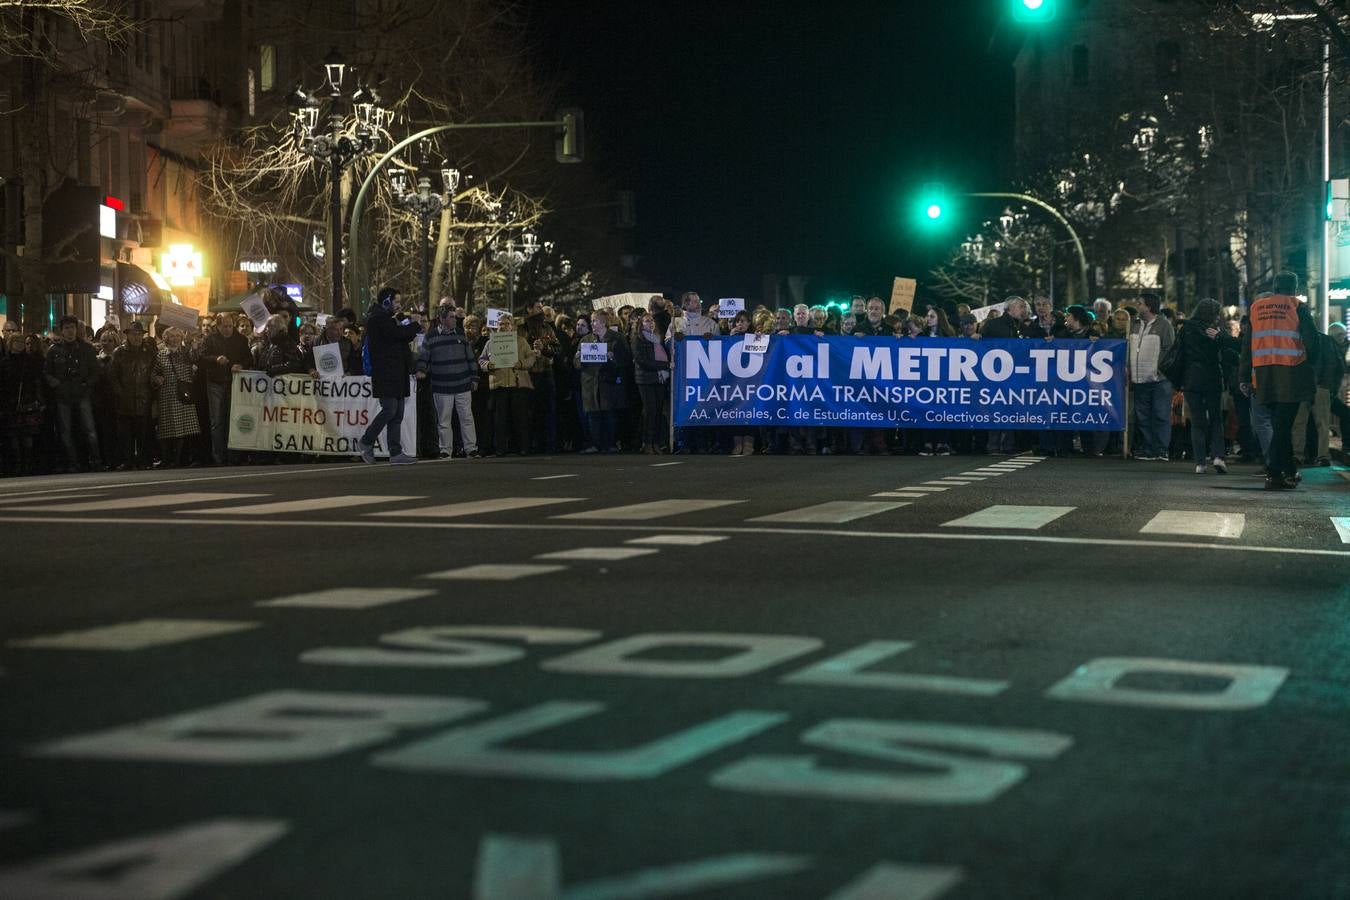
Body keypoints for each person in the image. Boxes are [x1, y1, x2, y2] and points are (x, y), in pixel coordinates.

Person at [1239, 272, 1320, 490]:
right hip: (1291, 374)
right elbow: (1313, 342)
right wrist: (1311, 364)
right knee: (1283, 426)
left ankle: (1289, 471)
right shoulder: (1297, 307)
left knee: (1279, 425)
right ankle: (1274, 474)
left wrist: (1244, 376)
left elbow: (1247, 345)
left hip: (1263, 376)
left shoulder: (1257, 308)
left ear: (1275, 287)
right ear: (1294, 287)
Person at [357, 286, 422, 465]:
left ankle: (395, 452)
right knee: (390, 409)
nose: (399, 306)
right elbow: (396, 335)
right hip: (386, 373)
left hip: (397, 373)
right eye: (397, 302)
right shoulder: (378, 320)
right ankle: (366, 440)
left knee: (398, 413)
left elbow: (403, 337)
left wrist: (406, 325)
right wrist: (415, 324)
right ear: (386, 301)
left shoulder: (389, 319)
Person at [1176, 299, 1237, 474]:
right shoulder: (1215, 330)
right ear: (1213, 314)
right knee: (1216, 418)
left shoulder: (1186, 329)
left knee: (1197, 420)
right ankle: (1218, 456)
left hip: (1192, 378)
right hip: (1212, 377)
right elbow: (1226, 354)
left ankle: (1200, 463)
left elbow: (1180, 354)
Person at [417, 304, 479, 459]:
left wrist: (474, 377)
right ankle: (445, 450)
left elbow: (470, 357)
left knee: (466, 418)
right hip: (442, 385)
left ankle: (471, 448)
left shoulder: (460, 334)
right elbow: (424, 356)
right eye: (451, 317)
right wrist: (421, 370)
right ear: (442, 319)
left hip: (462, 383)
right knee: (444, 420)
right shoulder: (431, 336)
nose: (455, 320)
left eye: (454, 317)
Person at [43, 315, 102, 472]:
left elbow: (95, 371)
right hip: (63, 395)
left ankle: (95, 461)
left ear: (77, 329)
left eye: (72, 327)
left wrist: (86, 383)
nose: (70, 331)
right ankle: (72, 463)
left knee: (90, 430)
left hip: (82, 393)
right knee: (65, 431)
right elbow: (47, 372)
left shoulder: (86, 349)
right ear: (62, 331)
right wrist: (56, 384)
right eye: (67, 328)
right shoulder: (54, 350)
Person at [479, 315, 537, 456]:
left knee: (520, 418)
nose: (503, 326)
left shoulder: (521, 341)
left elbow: (531, 357)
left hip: (516, 384)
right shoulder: (490, 343)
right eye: (500, 324)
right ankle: (500, 448)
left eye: (506, 323)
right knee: (500, 420)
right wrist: (488, 365)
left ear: (512, 326)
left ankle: (523, 447)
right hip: (499, 385)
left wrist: (521, 364)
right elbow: (481, 359)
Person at [199, 313, 252, 466]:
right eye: (225, 327)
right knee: (217, 421)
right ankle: (218, 456)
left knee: (232, 419)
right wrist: (215, 359)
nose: (228, 329)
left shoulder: (241, 340)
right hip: (215, 382)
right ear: (218, 326)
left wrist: (241, 365)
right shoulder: (210, 339)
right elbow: (202, 358)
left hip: (233, 383)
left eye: (230, 326)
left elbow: (248, 358)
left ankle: (233, 455)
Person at [574, 308, 629, 454]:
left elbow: (625, 360)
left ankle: (610, 443)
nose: (592, 324)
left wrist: (612, 358)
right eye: (591, 321)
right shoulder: (586, 340)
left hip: (608, 382)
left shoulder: (617, 338)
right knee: (593, 415)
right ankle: (594, 444)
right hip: (590, 382)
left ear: (603, 322)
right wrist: (579, 358)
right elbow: (576, 363)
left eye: (595, 321)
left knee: (609, 413)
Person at [1129, 293, 1176, 461]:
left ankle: (1161, 450)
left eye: (1140, 303)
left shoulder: (1164, 325)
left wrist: (1161, 371)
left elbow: (1171, 351)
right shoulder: (1133, 324)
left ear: (1149, 306)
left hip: (1159, 380)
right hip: (1139, 379)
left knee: (1161, 415)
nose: (1137, 305)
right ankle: (1149, 449)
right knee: (1143, 417)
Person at [980, 296, 1029, 454]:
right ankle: (994, 444)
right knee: (997, 408)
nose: (1024, 310)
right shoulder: (994, 325)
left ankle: (1008, 445)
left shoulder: (1021, 326)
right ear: (1010, 308)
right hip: (995, 374)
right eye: (1020, 307)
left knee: (1010, 409)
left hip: (1014, 375)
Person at [1291, 321, 1341, 467]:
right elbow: (1333, 364)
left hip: (1302, 386)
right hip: (1321, 386)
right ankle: (1322, 455)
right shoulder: (1325, 340)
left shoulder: (1297, 339)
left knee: (1299, 423)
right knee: (1322, 423)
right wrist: (1330, 387)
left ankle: (1298, 455)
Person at [152, 326, 201, 468]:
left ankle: (179, 460)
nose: (175, 339)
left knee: (182, 429)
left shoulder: (186, 353)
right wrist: (156, 379)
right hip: (167, 395)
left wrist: (194, 343)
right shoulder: (161, 355)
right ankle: (167, 459)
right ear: (166, 338)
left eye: (178, 336)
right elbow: (153, 373)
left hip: (183, 396)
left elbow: (195, 357)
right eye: (172, 336)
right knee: (167, 429)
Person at [109, 321, 156, 469]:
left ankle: (143, 460)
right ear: (127, 335)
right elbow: (113, 376)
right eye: (133, 334)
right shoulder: (119, 352)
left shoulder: (149, 352)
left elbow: (155, 373)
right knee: (126, 434)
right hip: (125, 399)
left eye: (139, 334)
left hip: (143, 398)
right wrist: (119, 393)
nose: (136, 337)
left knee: (143, 432)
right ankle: (128, 460)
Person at [0, 333, 45, 475]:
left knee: (27, 434)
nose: (19, 344)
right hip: (10, 402)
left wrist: (38, 399)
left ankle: (27, 464)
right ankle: (17, 464)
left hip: (27, 401)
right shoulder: (5, 362)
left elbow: (36, 381)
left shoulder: (30, 361)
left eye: (21, 341)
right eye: (16, 341)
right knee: (13, 435)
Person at [631, 309, 673, 454]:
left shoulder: (657, 337)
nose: (651, 323)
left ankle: (656, 442)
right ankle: (647, 442)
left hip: (659, 378)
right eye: (647, 321)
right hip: (645, 379)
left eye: (652, 321)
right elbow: (642, 361)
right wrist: (665, 366)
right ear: (641, 324)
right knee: (650, 411)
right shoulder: (638, 338)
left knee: (658, 411)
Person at [523, 299, 560, 454]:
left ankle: (549, 444)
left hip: (545, 374)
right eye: (538, 307)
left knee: (549, 410)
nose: (541, 310)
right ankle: (531, 444)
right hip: (528, 374)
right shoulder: (521, 329)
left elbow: (557, 349)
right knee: (529, 412)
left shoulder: (548, 329)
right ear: (529, 309)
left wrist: (545, 348)